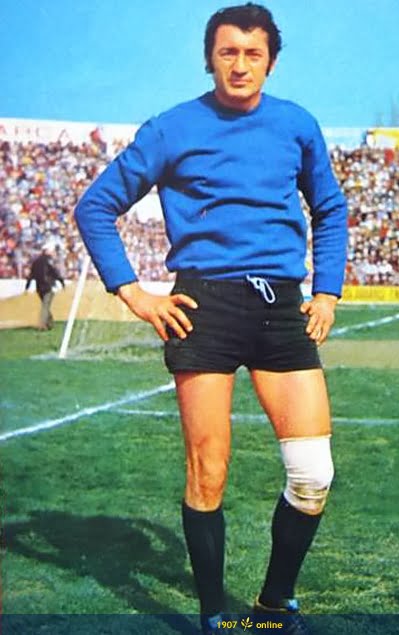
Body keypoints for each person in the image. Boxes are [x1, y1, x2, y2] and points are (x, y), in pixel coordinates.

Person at [75, 4, 348, 634]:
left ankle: (273, 604)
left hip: (281, 308)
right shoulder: (172, 128)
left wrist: (328, 292)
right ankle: (215, 617)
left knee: (314, 473)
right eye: (228, 52)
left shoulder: (297, 124)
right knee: (209, 472)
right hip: (204, 309)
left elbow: (330, 209)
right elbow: (96, 206)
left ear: (271, 62)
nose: (240, 65)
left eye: (253, 54)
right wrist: (134, 293)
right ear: (209, 58)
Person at [25, 244, 65, 330]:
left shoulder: (35, 262)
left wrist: (27, 286)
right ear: (47, 251)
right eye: (51, 251)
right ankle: (42, 325)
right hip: (48, 286)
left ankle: (49, 323)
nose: (53, 253)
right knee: (45, 306)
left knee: (45, 305)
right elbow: (55, 272)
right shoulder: (49, 261)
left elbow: (31, 275)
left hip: (39, 287)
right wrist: (61, 282)